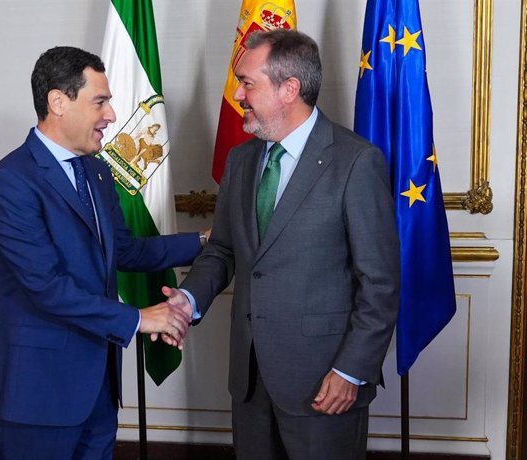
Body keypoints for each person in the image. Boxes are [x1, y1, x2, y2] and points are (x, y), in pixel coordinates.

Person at [166, 29, 400, 459]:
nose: (237, 94)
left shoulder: (356, 161)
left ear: (289, 89)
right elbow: (223, 251)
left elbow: (380, 284)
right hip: (251, 382)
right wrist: (187, 299)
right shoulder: (241, 160)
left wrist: (351, 370)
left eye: (247, 83)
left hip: (325, 382)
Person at [0, 46, 203, 459]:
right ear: (58, 102)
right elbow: (45, 287)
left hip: (99, 389)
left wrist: (205, 242)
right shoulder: (11, 181)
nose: (112, 116)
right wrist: (138, 318)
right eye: (100, 101)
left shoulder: (97, 171)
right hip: (39, 394)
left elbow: (127, 250)